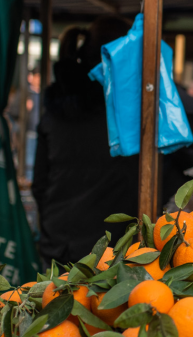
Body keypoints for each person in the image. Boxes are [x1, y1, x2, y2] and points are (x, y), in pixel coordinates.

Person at [33, 16, 139, 263]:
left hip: (59, 244)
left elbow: (39, 183)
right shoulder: (126, 110)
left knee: (54, 301)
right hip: (112, 253)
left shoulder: (54, 108)